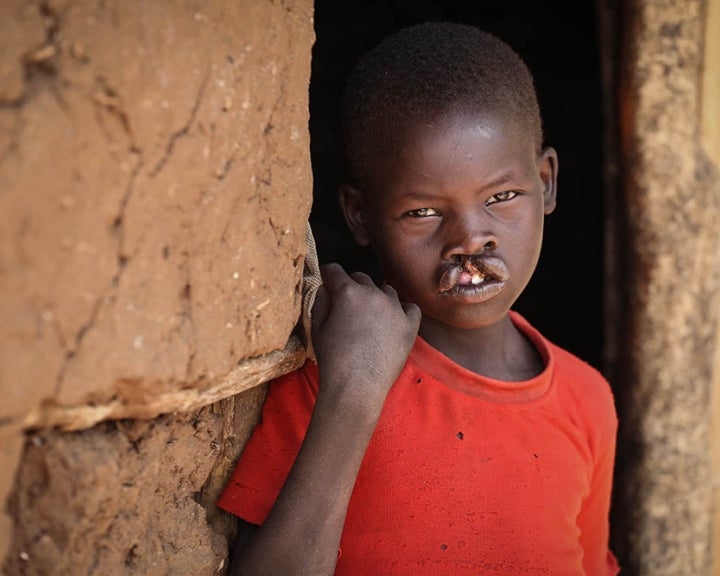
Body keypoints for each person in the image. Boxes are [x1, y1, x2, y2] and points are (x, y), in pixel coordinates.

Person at [217, 21, 619, 575]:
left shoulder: (586, 400)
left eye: (502, 196)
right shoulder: (327, 375)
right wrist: (354, 393)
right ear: (359, 215)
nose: (470, 239)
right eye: (423, 212)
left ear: (546, 182)